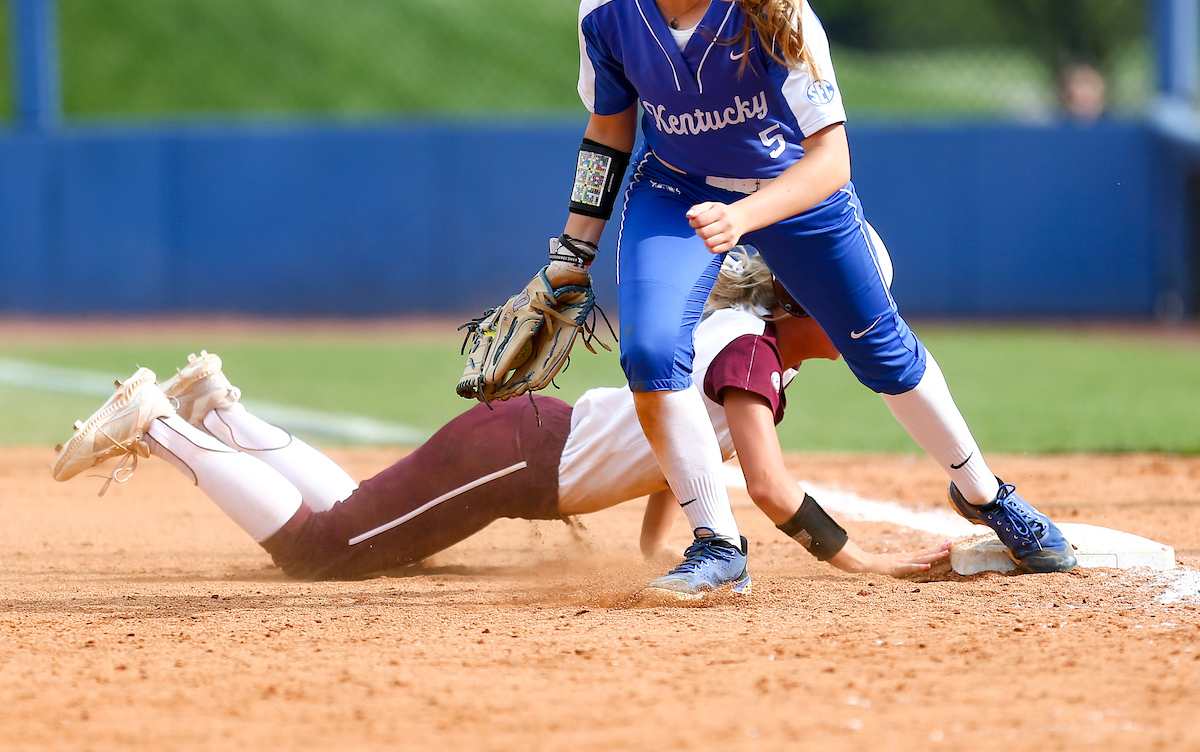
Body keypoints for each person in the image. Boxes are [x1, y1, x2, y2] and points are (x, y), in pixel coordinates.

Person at [540, 0, 1076, 594]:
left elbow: (832, 162)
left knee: (880, 349)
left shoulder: (769, 4)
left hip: (790, 188)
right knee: (652, 354)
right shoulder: (608, 9)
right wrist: (574, 248)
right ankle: (718, 549)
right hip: (677, 190)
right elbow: (608, 136)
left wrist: (749, 215)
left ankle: (986, 493)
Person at [50, 249, 951, 595]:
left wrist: (655, 551)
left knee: (366, 517)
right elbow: (764, 485)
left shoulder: (747, 343)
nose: (869, 319)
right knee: (322, 554)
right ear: (816, 304)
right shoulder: (750, 357)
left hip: (521, 444)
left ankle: (218, 410)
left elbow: (686, 466)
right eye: (859, 302)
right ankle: (162, 422)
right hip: (518, 459)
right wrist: (862, 560)